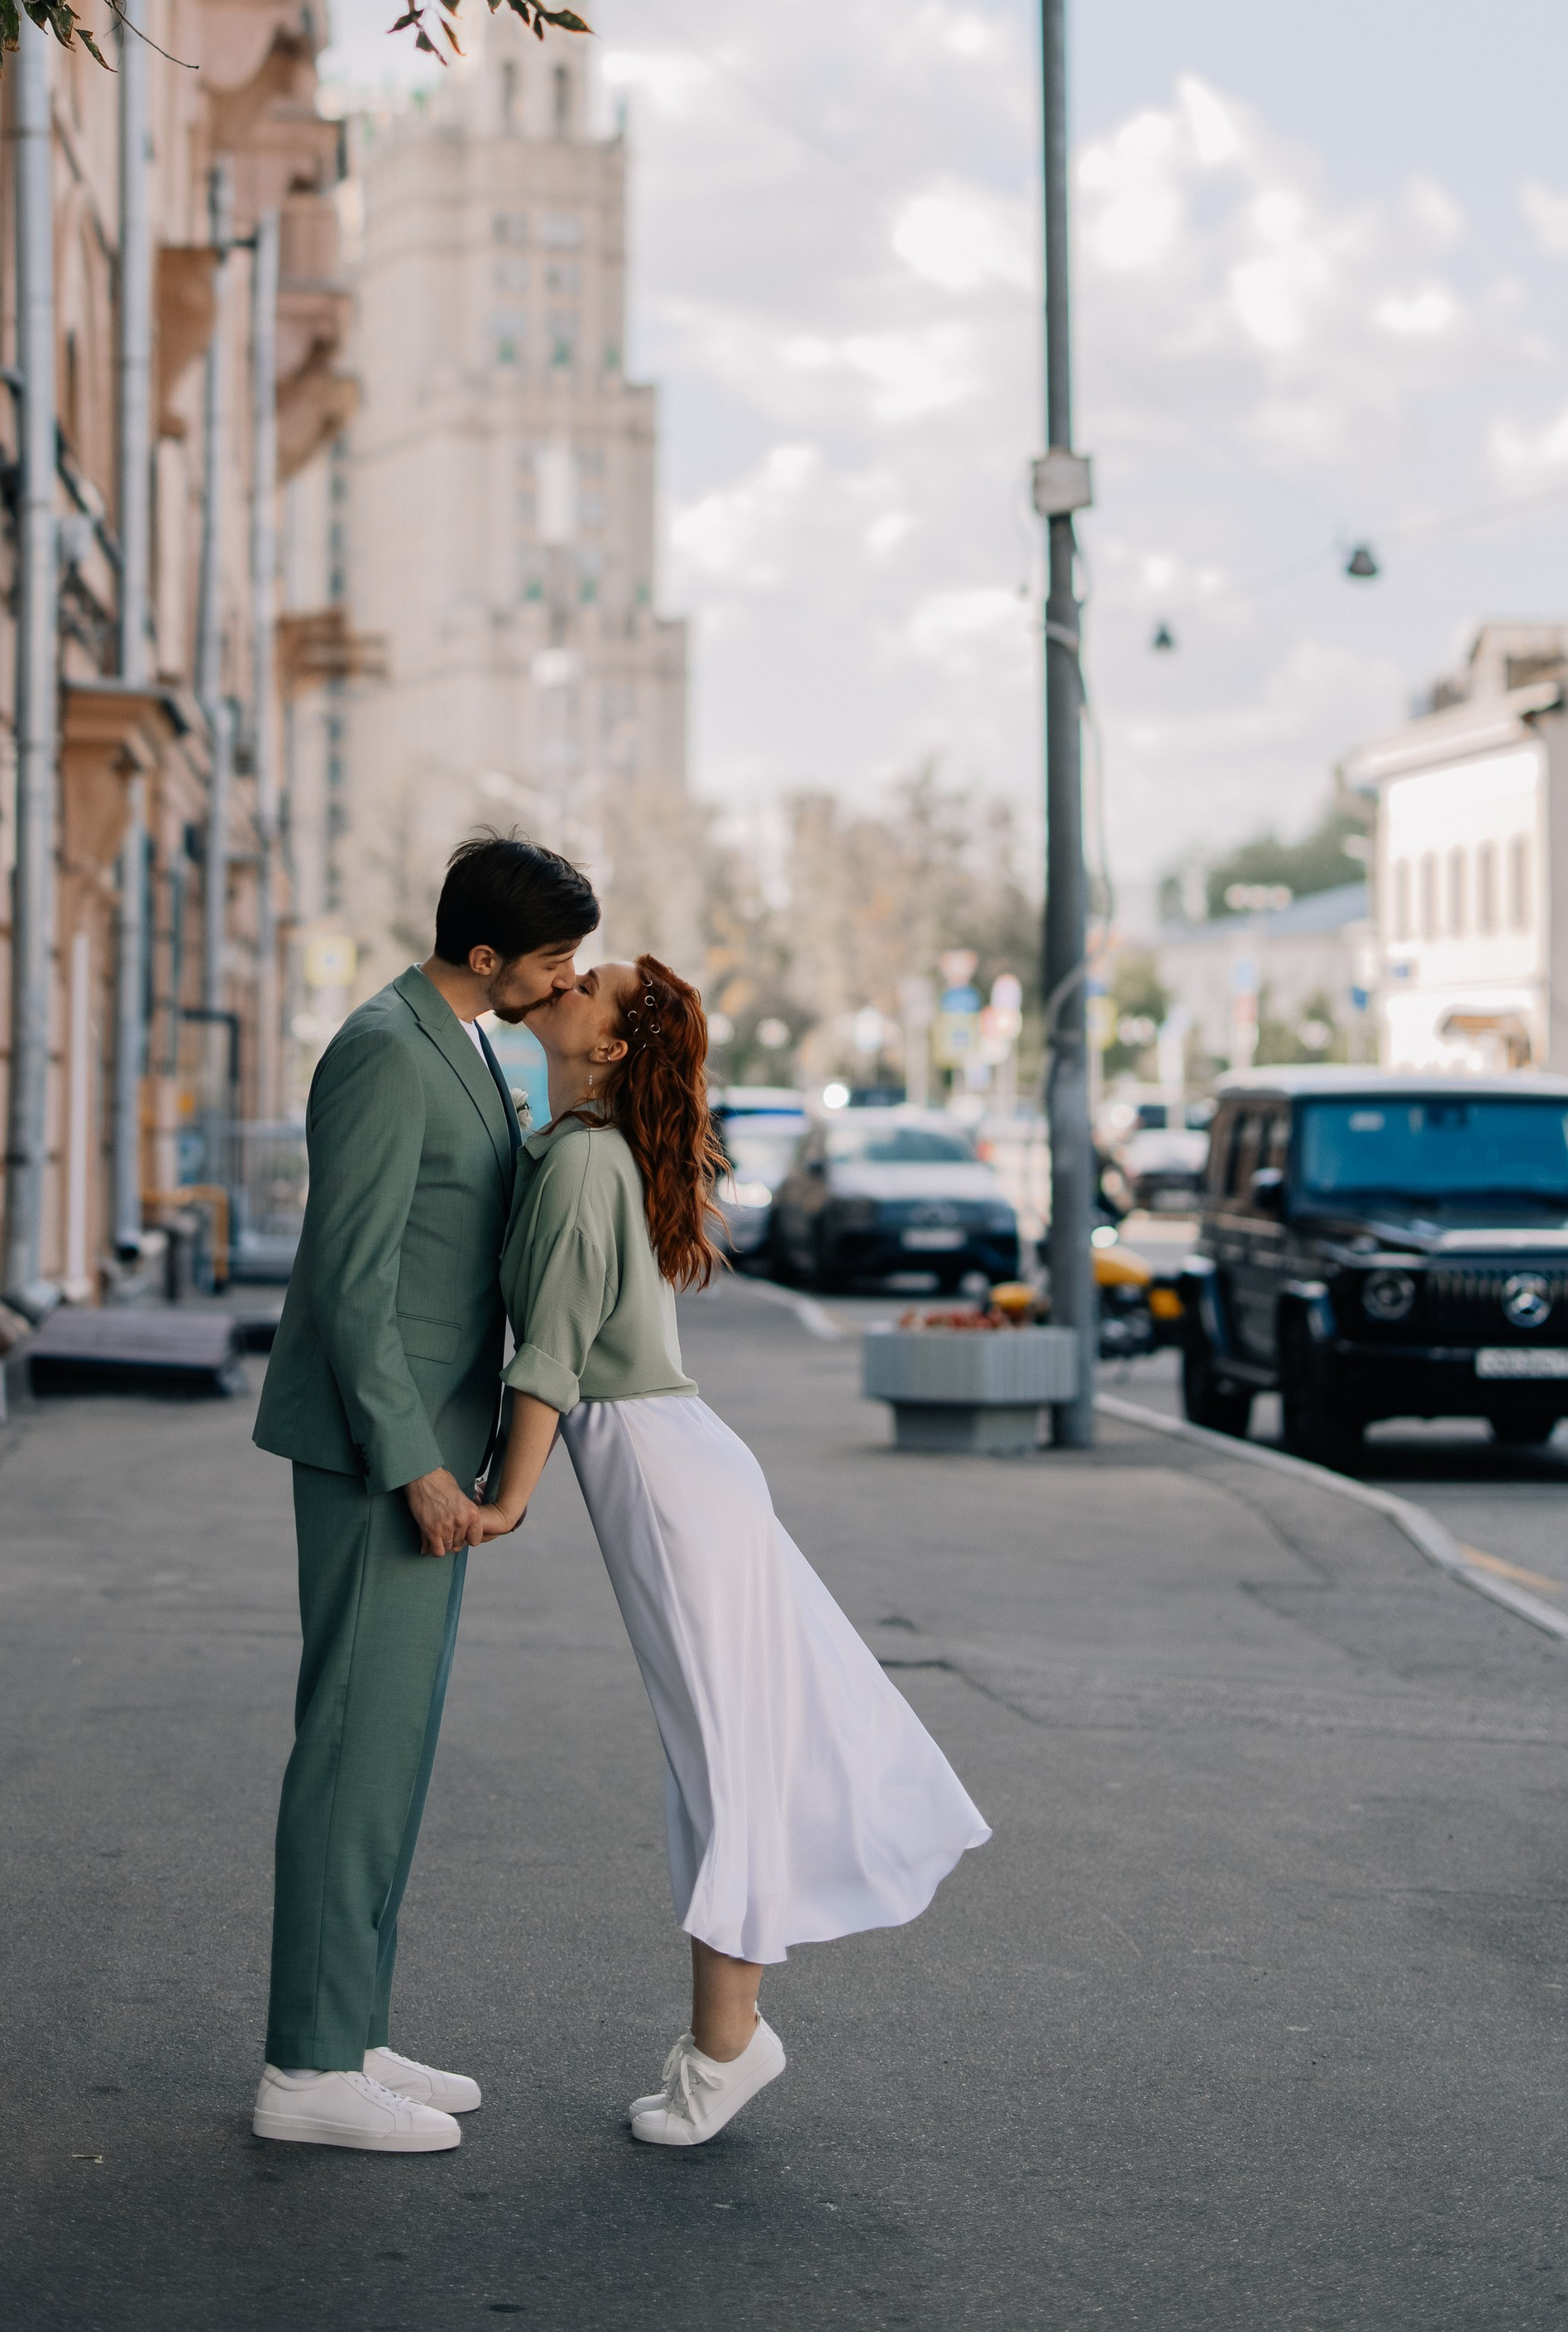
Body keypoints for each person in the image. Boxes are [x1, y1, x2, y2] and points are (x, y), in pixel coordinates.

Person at [474, 954, 990, 2148]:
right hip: (676, 1464)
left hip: (664, 1476)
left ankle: (728, 2044)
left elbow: (552, 1352)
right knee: (729, 1750)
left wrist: (505, 1501)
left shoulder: (586, 1158)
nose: (568, 980)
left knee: (722, 1757)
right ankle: (727, 2036)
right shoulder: (578, 1145)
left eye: (590, 983)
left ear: (610, 1046)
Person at [250, 833, 600, 2154]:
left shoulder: (463, 1041)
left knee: (388, 1748)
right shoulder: (386, 1048)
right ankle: (305, 2067)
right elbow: (349, 1281)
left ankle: (351, 2024)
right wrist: (416, 1464)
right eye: (554, 956)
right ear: (488, 952)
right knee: (352, 1746)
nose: (567, 978)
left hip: (431, 1444)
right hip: (379, 1456)